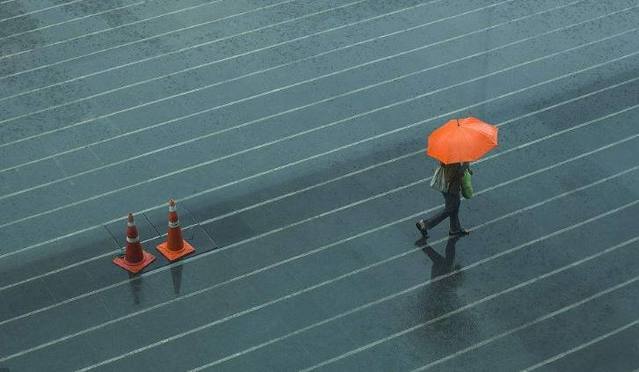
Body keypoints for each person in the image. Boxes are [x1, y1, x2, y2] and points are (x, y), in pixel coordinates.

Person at [416, 161, 471, 239]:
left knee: (455, 206)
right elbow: (450, 176)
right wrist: (464, 167)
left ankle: (454, 229)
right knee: (450, 209)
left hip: (449, 188)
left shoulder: (449, 159)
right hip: (450, 189)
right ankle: (425, 224)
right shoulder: (453, 162)